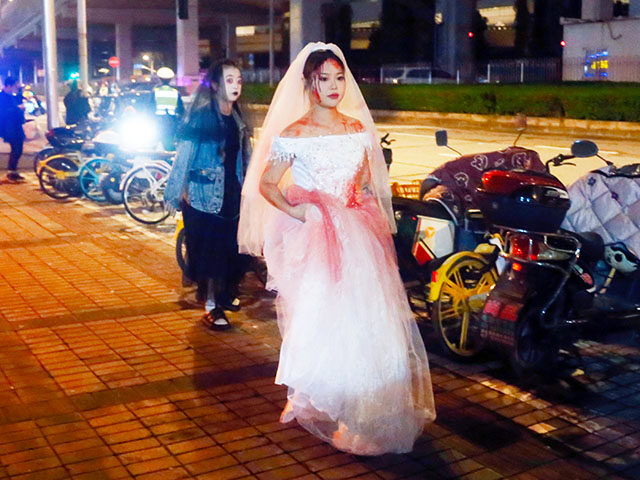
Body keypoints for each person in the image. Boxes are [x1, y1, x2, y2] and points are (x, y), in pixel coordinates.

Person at [238, 42, 436, 455]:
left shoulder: (358, 129)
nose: (333, 85)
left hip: (359, 235)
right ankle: (333, 399)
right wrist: (300, 211)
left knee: (371, 321)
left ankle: (367, 410)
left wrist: (369, 213)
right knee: (324, 318)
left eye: (339, 77)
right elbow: (267, 184)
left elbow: (364, 184)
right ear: (308, 84)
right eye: (323, 79)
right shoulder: (294, 134)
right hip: (319, 236)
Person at [164, 59, 251, 329]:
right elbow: (184, 157)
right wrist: (179, 191)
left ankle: (224, 296)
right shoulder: (202, 117)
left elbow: (244, 159)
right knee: (211, 256)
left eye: (238, 80)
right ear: (214, 85)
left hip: (233, 196)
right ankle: (212, 306)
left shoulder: (238, 119)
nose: (235, 85)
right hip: (204, 197)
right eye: (228, 80)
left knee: (233, 252)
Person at [151, 67, 184, 151]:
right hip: (171, 123)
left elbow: (150, 108)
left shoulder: (155, 91)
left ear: (159, 79)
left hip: (157, 123)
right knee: (170, 147)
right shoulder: (175, 92)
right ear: (170, 79)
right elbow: (181, 110)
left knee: (152, 146)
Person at [0, 77, 26, 182]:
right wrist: (18, 109)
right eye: (15, 85)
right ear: (9, 86)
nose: (16, 88)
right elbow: (4, 112)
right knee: (16, 149)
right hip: (9, 127)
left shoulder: (12, 97)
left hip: (15, 126)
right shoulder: (2, 97)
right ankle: (12, 173)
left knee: (18, 149)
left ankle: (13, 172)